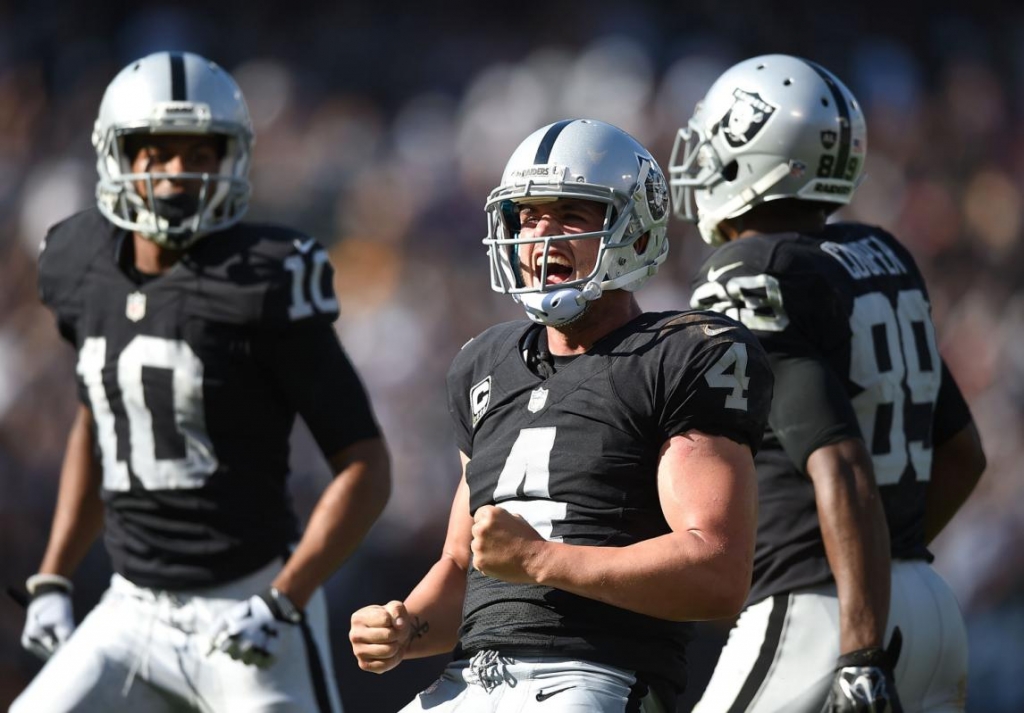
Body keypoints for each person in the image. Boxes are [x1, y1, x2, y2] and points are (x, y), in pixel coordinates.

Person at [349, 118, 774, 712]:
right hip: (467, 680)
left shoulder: (683, 354)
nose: (541, 237)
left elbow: (716, 571)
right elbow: (462, 563)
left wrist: (542, 560)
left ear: (634, 230)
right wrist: (405, 626)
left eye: (572, 215)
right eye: (527, 218)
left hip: (595, 675)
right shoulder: (485, 364)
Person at [12, 51, 391, 713]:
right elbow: (101, 419)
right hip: (129, 607)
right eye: (155, 151)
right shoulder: (77, 260)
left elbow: (365, 466)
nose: (177, 172)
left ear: (231, 159)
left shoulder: (266, 278)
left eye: (199, 152)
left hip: (248, 600)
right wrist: (52, 575)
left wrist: (285, 598)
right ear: (115, 154)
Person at [669, 54, 987, 712]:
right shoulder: (881, 254)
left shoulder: (753, 270)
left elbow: (840, 463)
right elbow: (963, 456)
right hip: (928, 607)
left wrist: (862, 643)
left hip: (825, 611)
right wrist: (889, 560)